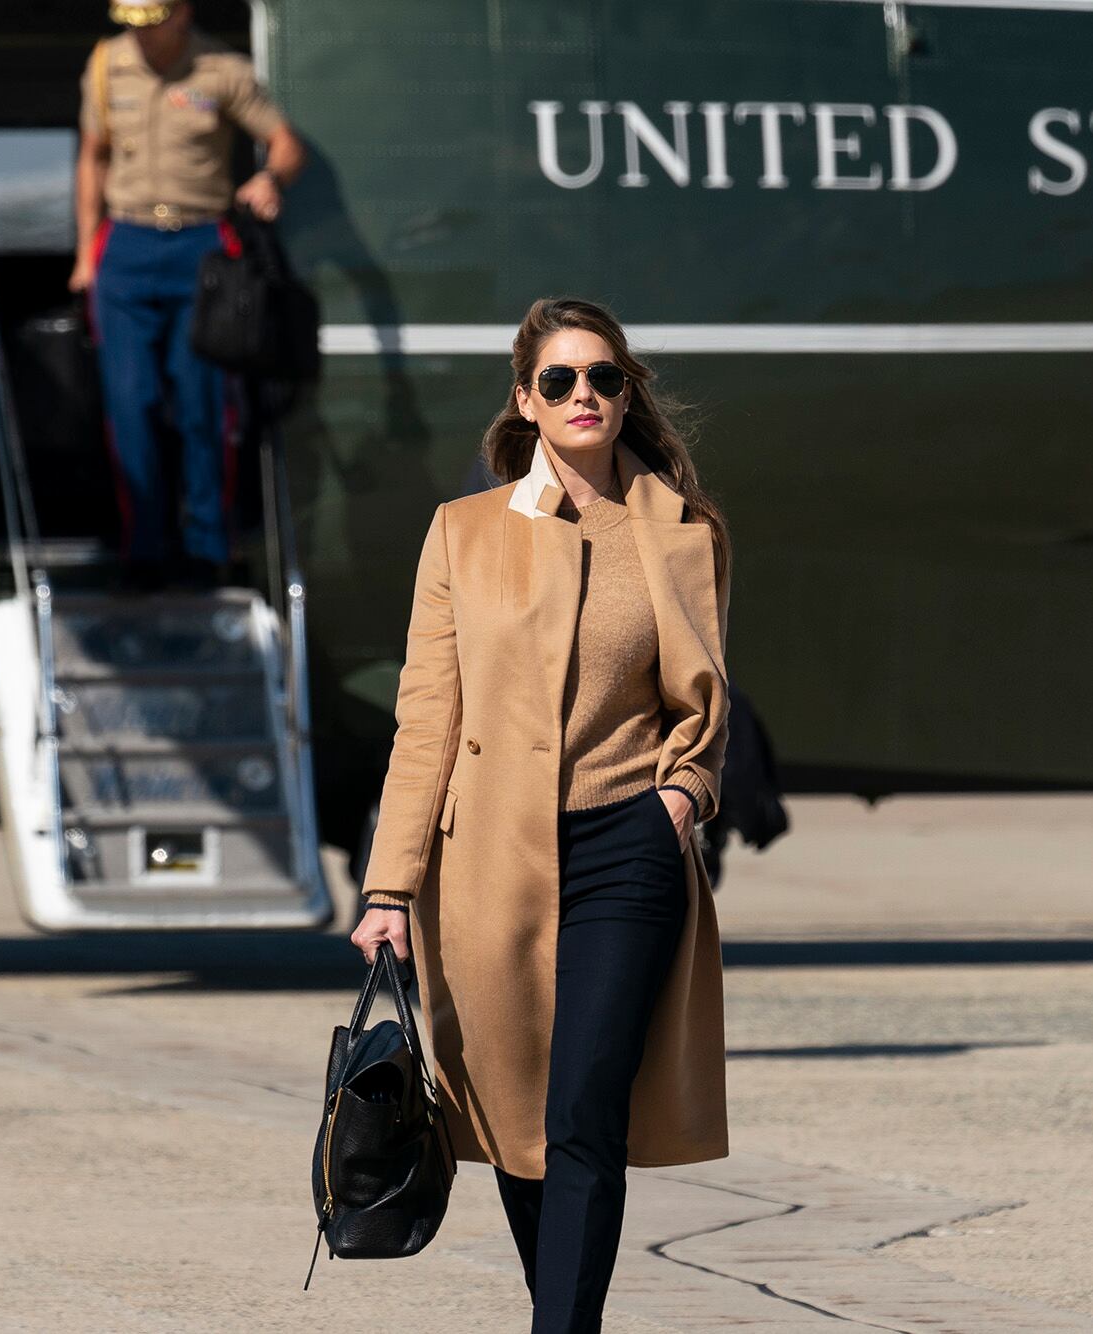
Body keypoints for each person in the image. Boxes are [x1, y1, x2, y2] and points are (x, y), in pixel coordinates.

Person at [351, 298, 731, 1332]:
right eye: (558, 380)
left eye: (602, 378)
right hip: (486, 861)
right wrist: (389, 885)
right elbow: (426, 718)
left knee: (581, 1113)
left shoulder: (682, 533)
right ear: (523, 400)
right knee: (517, 1119)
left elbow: (702, 706)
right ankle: (560, 1308)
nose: (583, 397)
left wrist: (678, 797)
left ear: (626, 392)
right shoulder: (461, 534)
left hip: (626, 849)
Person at [70, 1, 307, 588]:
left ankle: (206, 547)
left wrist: (269, 178)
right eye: (131, 20)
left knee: (204, 404)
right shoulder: (105, 65)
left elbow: (285, 143)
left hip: (201, 247)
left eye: (152, 19)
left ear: (182, 13)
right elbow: (91, 158)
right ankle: (143, 549)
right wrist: (83, 256)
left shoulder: (222, 70)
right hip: (123, 245)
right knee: (131, 403)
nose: (140, 33)